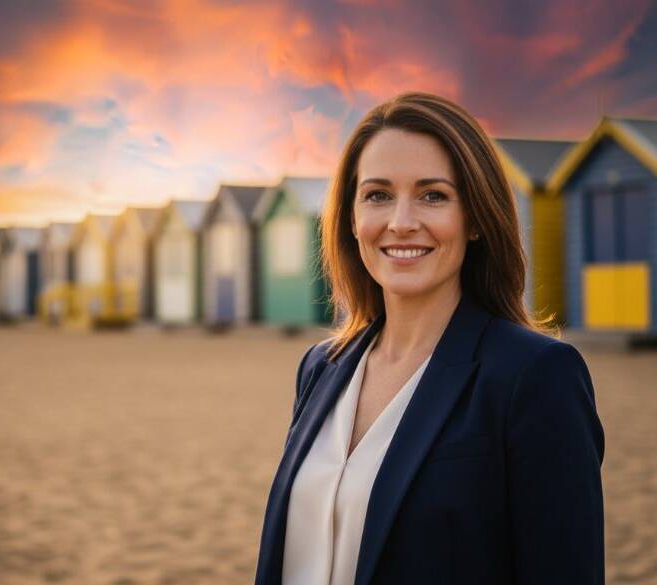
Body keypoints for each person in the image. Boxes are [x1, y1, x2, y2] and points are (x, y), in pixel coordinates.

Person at [254, 92, 605, 585]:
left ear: (477, 218)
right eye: (377, 194)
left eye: (433, 195)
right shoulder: (321, 366)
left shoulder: (536, 375)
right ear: (351, 218)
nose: (400, 222)